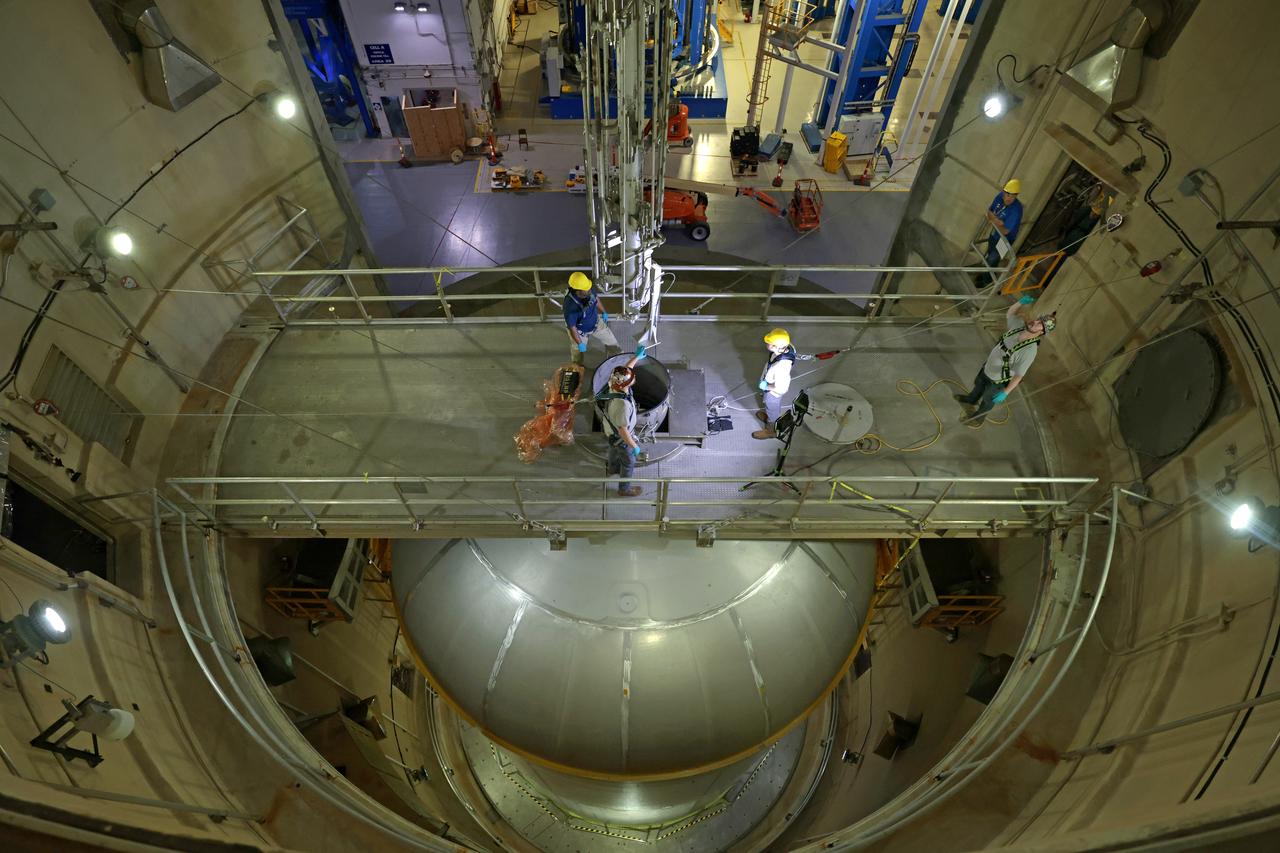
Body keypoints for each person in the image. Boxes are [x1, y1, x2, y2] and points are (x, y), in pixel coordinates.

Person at [954, 296, 1055, 426]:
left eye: (1040, 324)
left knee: (987, 399)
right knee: (978, 384)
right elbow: (1010, 313)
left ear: (1042, 332)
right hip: (988, 368)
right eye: (1038, 320)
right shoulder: (1018, 326)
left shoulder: (1029, 350)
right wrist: (1020, 302)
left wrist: (1005, 392)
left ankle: (978, 419)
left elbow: (1019, 375)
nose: (1035, 322)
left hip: (998, 380)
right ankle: (971, 400)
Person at [597, 347, 648, 497]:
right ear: (625, 385)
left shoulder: (615, 382)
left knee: (613, 449)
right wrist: (634, 446)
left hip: (612, 435)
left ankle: (612, 468)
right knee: (628, 462)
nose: (634, 378)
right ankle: (624, 489)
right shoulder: (621, 405)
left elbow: (626, 369)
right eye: (631, 379)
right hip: (621, 438)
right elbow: (623, 431)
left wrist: (636, 357)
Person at [563, 272, 619, 364]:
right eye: (586, 289)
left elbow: (596, 299)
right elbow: (572, 328)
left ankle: (620, 358)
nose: (590, 290)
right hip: (580, 331)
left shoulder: (588, 288)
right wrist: (580, 343)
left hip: (596, 323)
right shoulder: (570, 306)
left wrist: (604, 312)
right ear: (578, 291)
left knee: (613, 343)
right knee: (577, 351)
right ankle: (577, 366)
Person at [753, 328, 796, 440]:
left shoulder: (781, 366)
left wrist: (766, 386)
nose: (767, 343)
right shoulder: (785, 348)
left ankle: (771, 430)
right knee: (771, 408)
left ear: (775, 346)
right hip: (770, 381)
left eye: (769, 343)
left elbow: (780, 387)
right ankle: (770, 418)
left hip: (774, 392)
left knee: (771, 407)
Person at [983, 179, 1024, 271]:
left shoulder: (1016, 210)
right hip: (995, 233)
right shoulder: (999, 197)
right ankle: (985, 274)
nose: (1008, 198)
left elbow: (1005, 231)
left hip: (1006, 240)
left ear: (1016, 196)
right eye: (1007, 194)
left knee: (993, 259)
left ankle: (986, 279)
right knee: (990, 253)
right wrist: (999, 222)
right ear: (1003, 192)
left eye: (1012, 196)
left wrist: (993, 220)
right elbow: (989, 212)